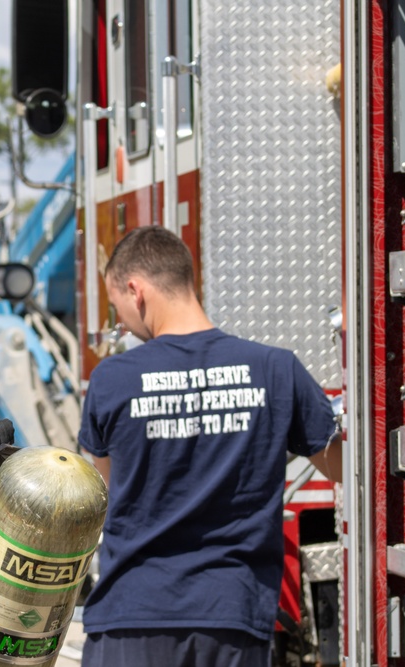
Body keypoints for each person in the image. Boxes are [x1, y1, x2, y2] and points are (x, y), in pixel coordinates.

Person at [78, 225, 342, 667]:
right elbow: (344, 467)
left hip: (133, 614)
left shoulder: (111, 379)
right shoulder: (276, 370)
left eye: (116, 307)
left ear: (135, 289)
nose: (120, 321)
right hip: (233, 615)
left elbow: (112, 489)